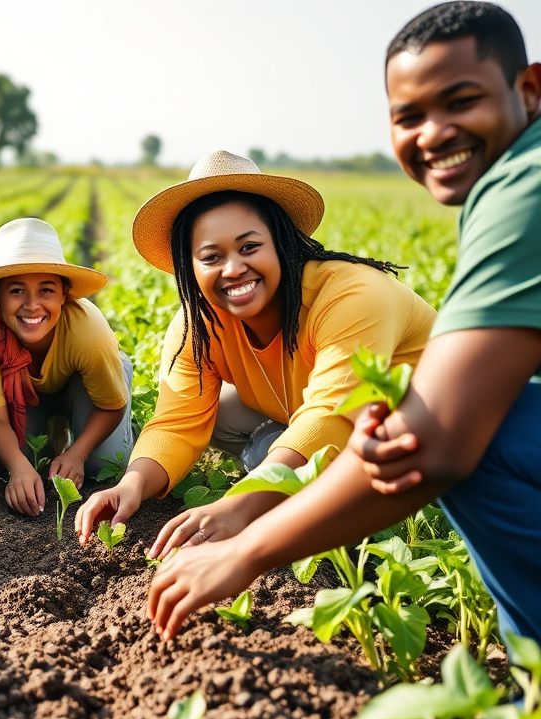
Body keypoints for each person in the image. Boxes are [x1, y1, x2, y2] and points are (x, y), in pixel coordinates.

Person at [146, 1, 541, 647]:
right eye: (409, 116)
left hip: (360, 424)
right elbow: (177, 417)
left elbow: (430, 441)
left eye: (461, 101)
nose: (434, 133)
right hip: (320, 423)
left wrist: (246, 541)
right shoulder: (507, 185)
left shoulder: (524, 190)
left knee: (474, 440)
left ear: (528, 92)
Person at [76, 151, 437, 558]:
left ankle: (288, 469)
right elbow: (177, 421)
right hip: (317, 413)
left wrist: (238, 505)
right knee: (220, 414)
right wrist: (132, 484)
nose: (232, 269)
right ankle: (282, 461)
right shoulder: (200, 323)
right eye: (211, 257)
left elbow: (334, 412)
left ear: (281, 243)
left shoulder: (353, 294)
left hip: (424, 428)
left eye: (249, 247)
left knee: (319, 494)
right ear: (189, 267)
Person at [0, 218, 133, 516]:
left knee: (105, 465)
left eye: (46, 290)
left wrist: (78, 453)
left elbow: (110, 406)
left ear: (65, 295)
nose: (32, 305)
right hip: (25, 394)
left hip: (86, 390)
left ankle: (101, 432)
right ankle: (49, 437)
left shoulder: (88, 331)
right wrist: (18, 468)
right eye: (16, 291)